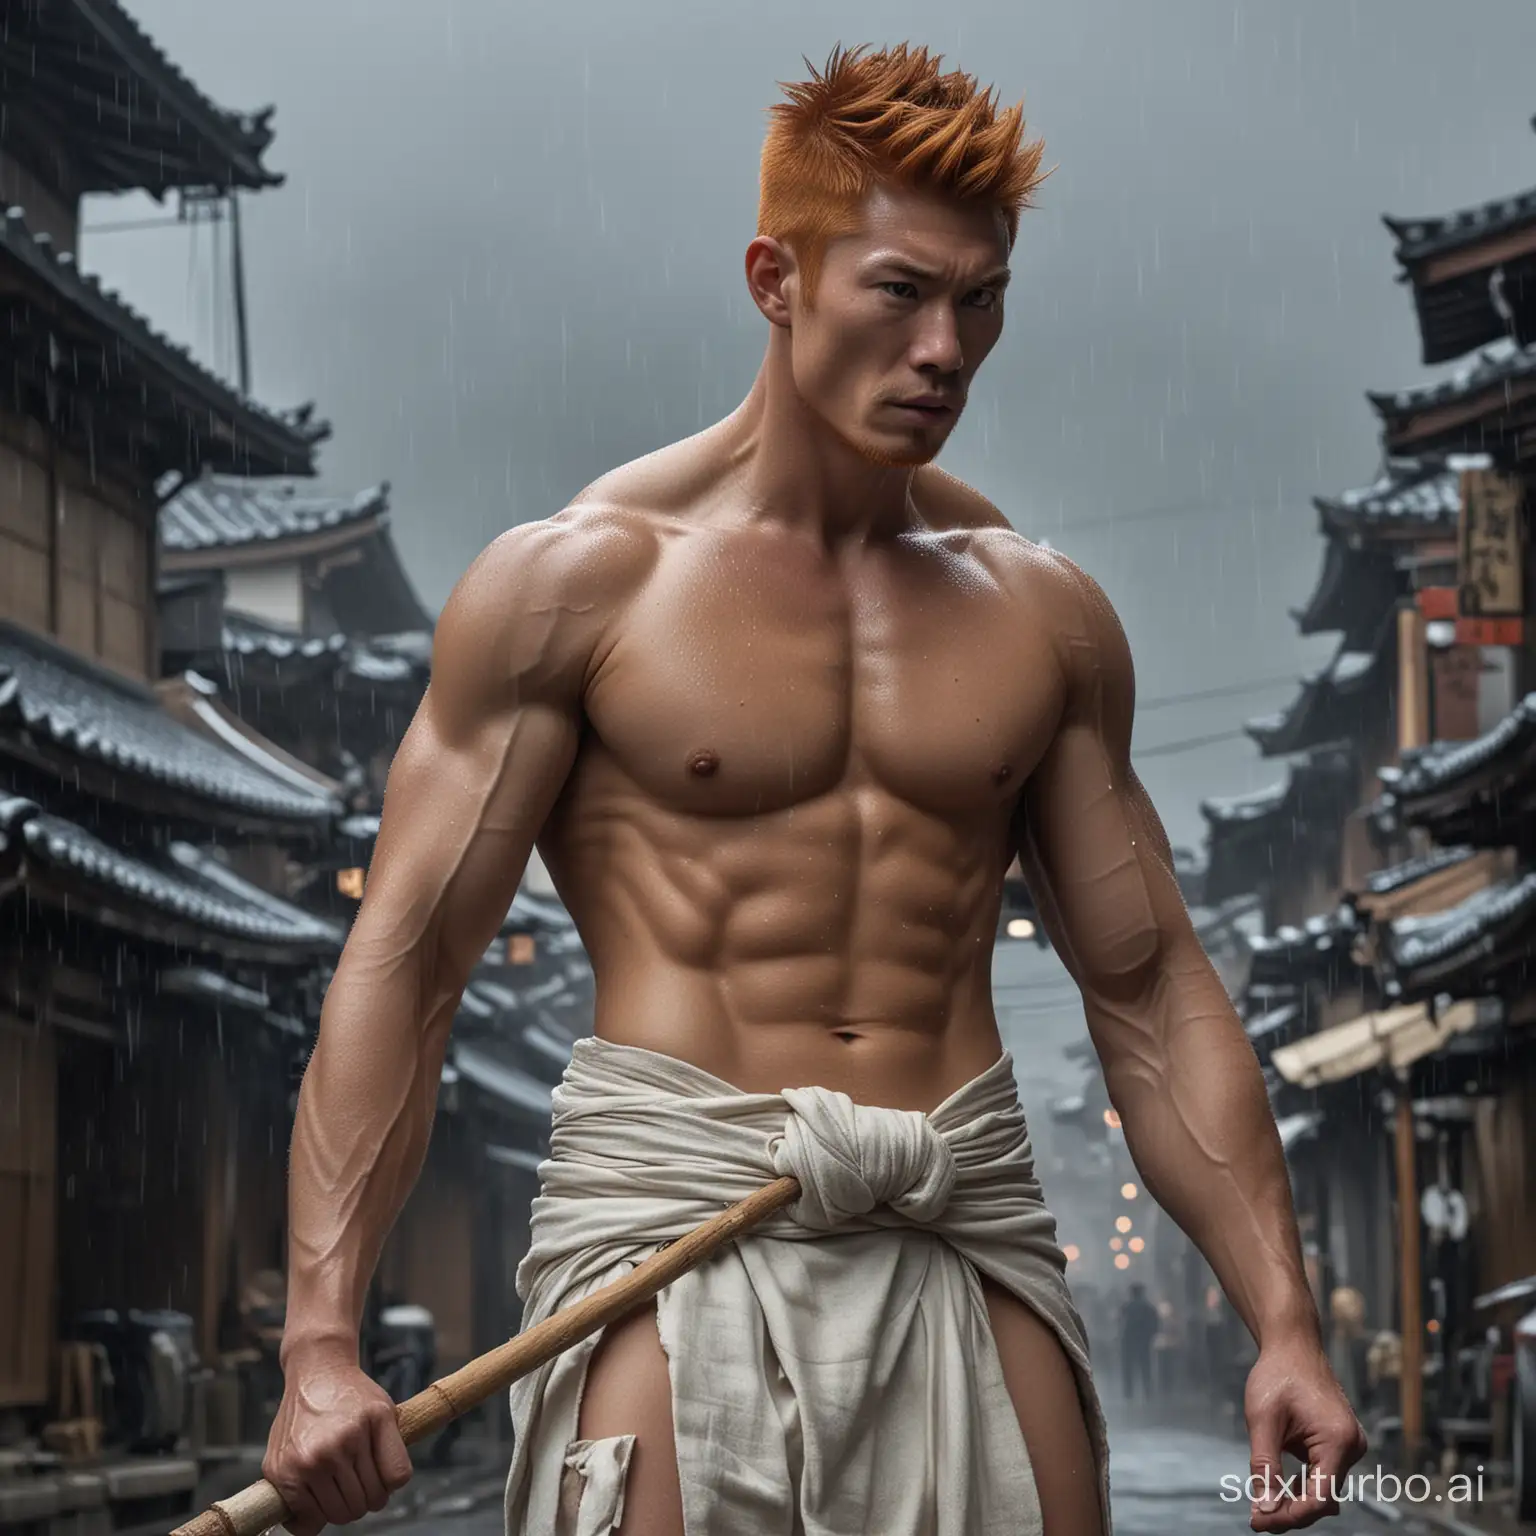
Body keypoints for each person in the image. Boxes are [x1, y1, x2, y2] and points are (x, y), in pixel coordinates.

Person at [261, 41, 1366, 1536]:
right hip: (675, 1211)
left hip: (960, 1213)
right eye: (900, 291)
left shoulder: (1040, 618)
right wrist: (321, 1342)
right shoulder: (580, 589)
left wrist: (1285, 1324)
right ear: (776, 278)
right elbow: (407, 957)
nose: (947, 350)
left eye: (983, 300)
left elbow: (1152, 990)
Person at [1119, 1284, 1159, 1403]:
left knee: (1128, 1367)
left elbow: (1120, 1322)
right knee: (1145, 1366)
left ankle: (1129, 1392)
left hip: (1129, 1340)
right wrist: (1151, 1336)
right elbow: (1155, 1323)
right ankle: (1147, 1390)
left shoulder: (1127, 1307)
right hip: (1143, 1340)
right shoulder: (1148, 1307)